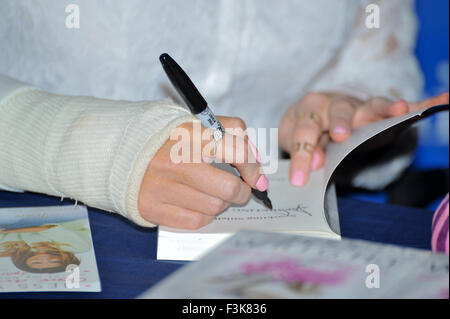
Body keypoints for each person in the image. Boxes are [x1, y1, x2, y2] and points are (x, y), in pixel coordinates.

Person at [0, 0, 448, 232]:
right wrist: (109, 153)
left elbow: (374, 65)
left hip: (271, 244)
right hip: (46, 226)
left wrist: (343, 109)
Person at [0, 219, 91, 273]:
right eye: (55, 262)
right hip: (62, 217)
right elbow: (48, 228)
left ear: (25, 262)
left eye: (37, 263)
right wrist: (5, 231)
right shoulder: (79, 247)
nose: (45, 260)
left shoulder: (13, 249)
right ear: (65, 261)